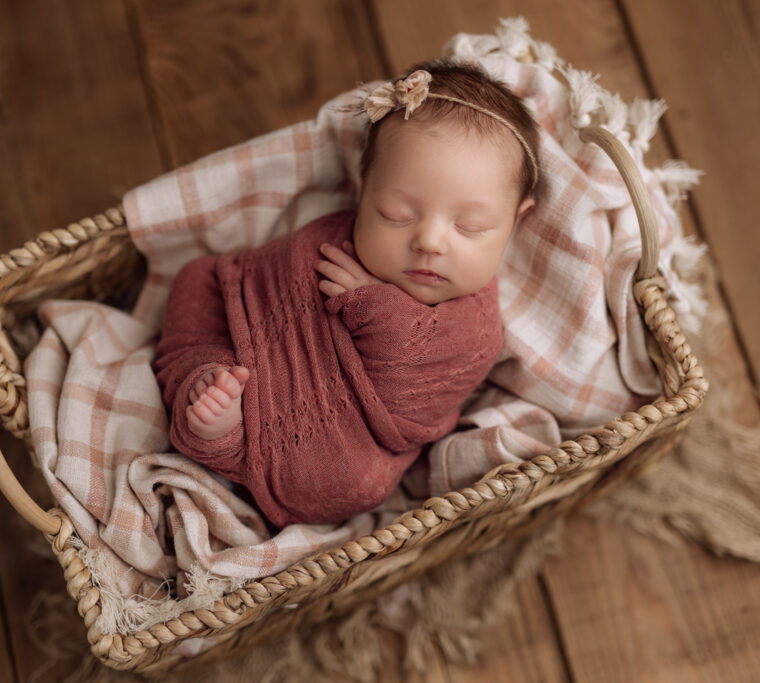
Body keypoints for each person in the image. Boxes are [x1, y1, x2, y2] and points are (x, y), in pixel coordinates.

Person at [153, 59, 541, 529]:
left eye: (470, 226)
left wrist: (374, 306)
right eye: (397, 213)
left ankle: (224, 439)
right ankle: (212, 405)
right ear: (363, 190)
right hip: (238, 337)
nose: (430, 242)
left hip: (337, 445)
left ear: (516, 219)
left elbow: (415, 407)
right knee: (198, 282)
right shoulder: (341, 237)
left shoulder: (475, 325)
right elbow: (263, 273)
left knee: (354, 480)